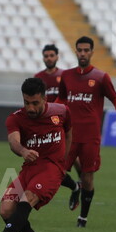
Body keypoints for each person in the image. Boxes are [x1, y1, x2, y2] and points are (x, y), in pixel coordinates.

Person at [0, 77, 71, 232]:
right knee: (6, 210)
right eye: (26, 103)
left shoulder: (61, 112)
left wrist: (63, 162)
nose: (30, 108)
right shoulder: (16, 118)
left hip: (51, 168)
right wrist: (23, 151)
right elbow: (13, 142)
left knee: (28, 199)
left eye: (35, 103)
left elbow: (68, 132)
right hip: (29, 168)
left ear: (44, 99)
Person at [57, 35, 116, 228]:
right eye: (79, 50)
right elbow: (61, 101)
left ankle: (83, 218)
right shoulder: (66, 76)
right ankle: (74, 187)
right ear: (75, 51)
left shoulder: (100, 77)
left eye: (86, 50)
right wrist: (48, 114)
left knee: (88, 177)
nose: (82, 53)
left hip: (90, 138)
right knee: (56, 173)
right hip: (70, 136)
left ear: (91, 52)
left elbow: (115, 98)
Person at [35, 43, 81, 210]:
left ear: (57, 57)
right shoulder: (38, 78)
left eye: (51, 55)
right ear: (43, 58)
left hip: (61, 125)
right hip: (44, 127)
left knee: (56, 162)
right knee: (52, 162)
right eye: (46, 56)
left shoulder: (64, 76)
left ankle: (80, 185)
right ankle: (77, 187)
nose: (49, 58)